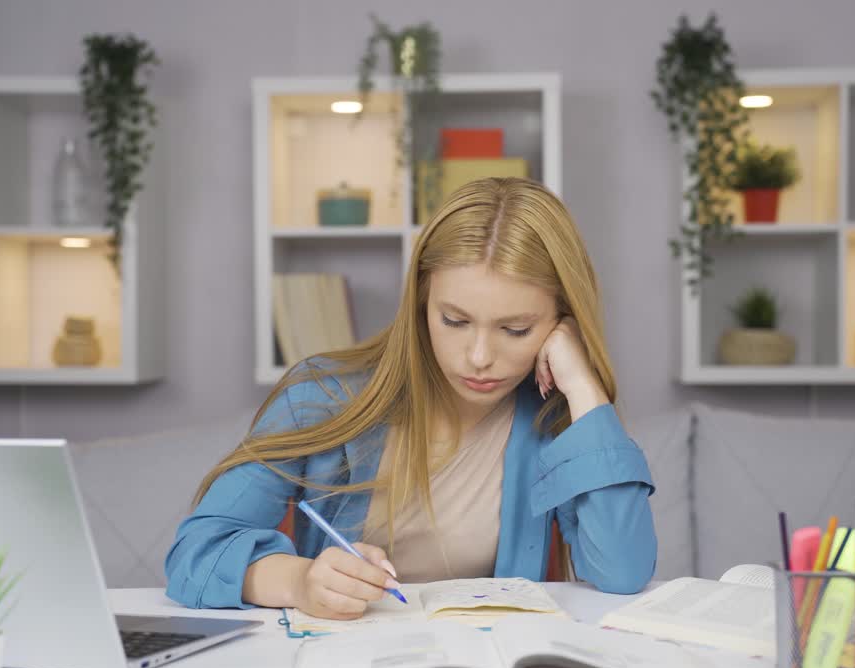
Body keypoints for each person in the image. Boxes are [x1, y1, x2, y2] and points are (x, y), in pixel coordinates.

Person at [165, 177, 656, 619]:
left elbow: (623, 572)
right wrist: (299, 581)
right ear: (421, 301)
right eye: (455, 321)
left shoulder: (558, 417)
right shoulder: (319, 396)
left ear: (560, 321)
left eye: (516, 329)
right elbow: (195, 554)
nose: (479, 357)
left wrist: (585, 386)